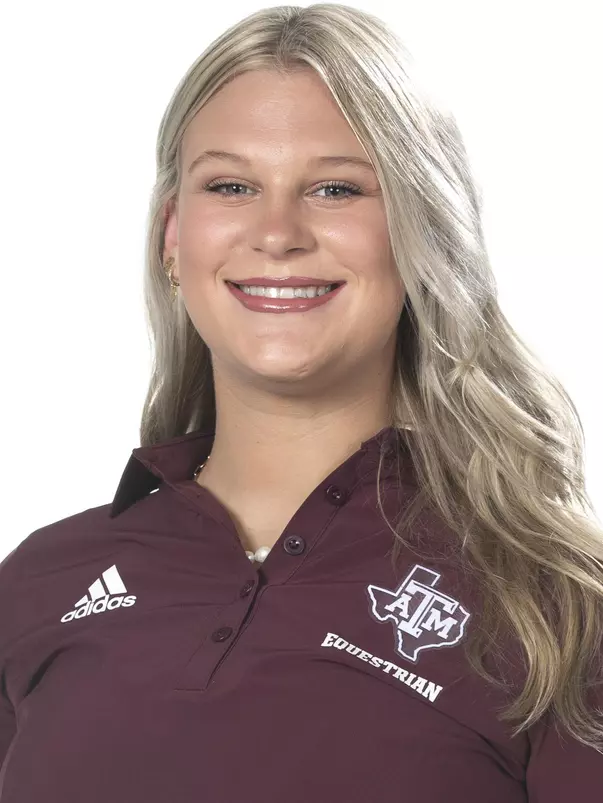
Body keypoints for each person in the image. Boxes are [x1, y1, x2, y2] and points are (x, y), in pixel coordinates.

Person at [1, 4, 602, 802]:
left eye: (334, 187)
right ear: (173, 235)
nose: (276, 231)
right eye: (232, 185)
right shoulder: (37, 580)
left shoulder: (555, 607)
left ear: (421, 230)